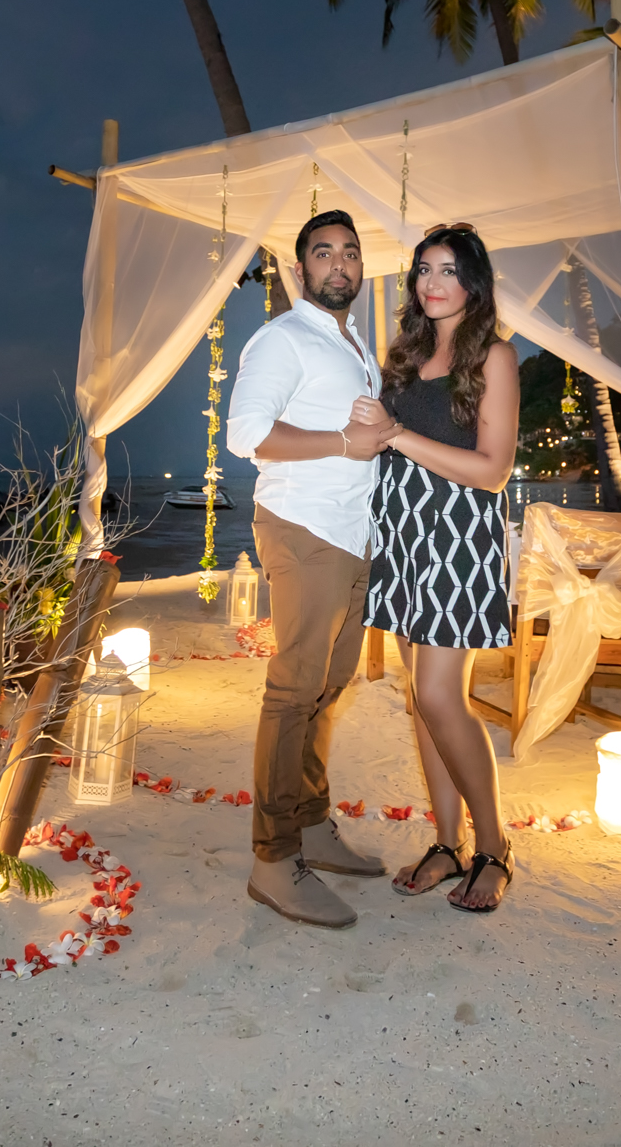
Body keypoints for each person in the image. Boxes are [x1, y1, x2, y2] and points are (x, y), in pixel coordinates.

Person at [223, 210, 401, 928]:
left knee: (331, 684)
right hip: (305, 528)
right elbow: (245, 434)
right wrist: (343, 442)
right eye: (323, 253)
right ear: (301, 269)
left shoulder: (353, 341)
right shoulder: (282, 338)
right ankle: (273, 857)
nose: (339, 265)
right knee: (293, 691)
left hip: (354, 532)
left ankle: (313, 821)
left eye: (350, 253)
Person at [351, 223, 519, 914]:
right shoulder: (406, 356)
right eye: (424, 269)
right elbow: (380, 446)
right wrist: (368, 426)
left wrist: (399, 436)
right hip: (403, 535)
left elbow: (493, 471)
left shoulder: (496, 358)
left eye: (448, 270)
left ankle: (494, 847)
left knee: (443, 696)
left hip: (457, 535)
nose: (432, 281)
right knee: (421, 697)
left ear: (473, 283)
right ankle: (447, 843)